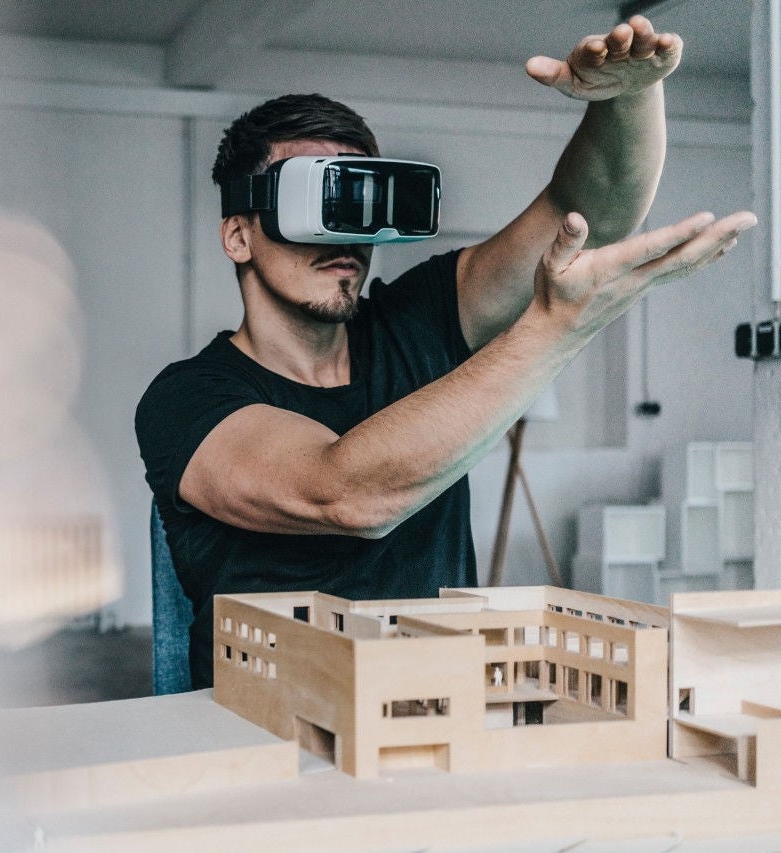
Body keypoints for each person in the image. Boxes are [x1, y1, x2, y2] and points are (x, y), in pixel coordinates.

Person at [135, 16, 756, 690]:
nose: (344, 234)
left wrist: (629, 99)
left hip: (429, 720)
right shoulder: (186, 399)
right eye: (318, 200)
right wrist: (556, 329)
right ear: (239, 236)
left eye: (361, 202)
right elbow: (345, 493)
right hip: (262, 739)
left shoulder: (420, 319)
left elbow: (588, 212)